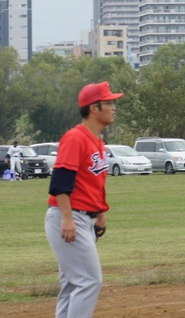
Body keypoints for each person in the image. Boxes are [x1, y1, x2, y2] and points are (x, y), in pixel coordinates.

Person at [45, 81, 122, 318]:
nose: (114, 107)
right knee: (89, 281)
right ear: (94, 108)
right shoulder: (75, 137)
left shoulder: (97, 141)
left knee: (73, 284)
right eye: (109, 103)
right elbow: (60, 182)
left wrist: (100, 215)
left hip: (83, 218)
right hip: (69, 216)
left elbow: (93, 184)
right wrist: (67, 218)